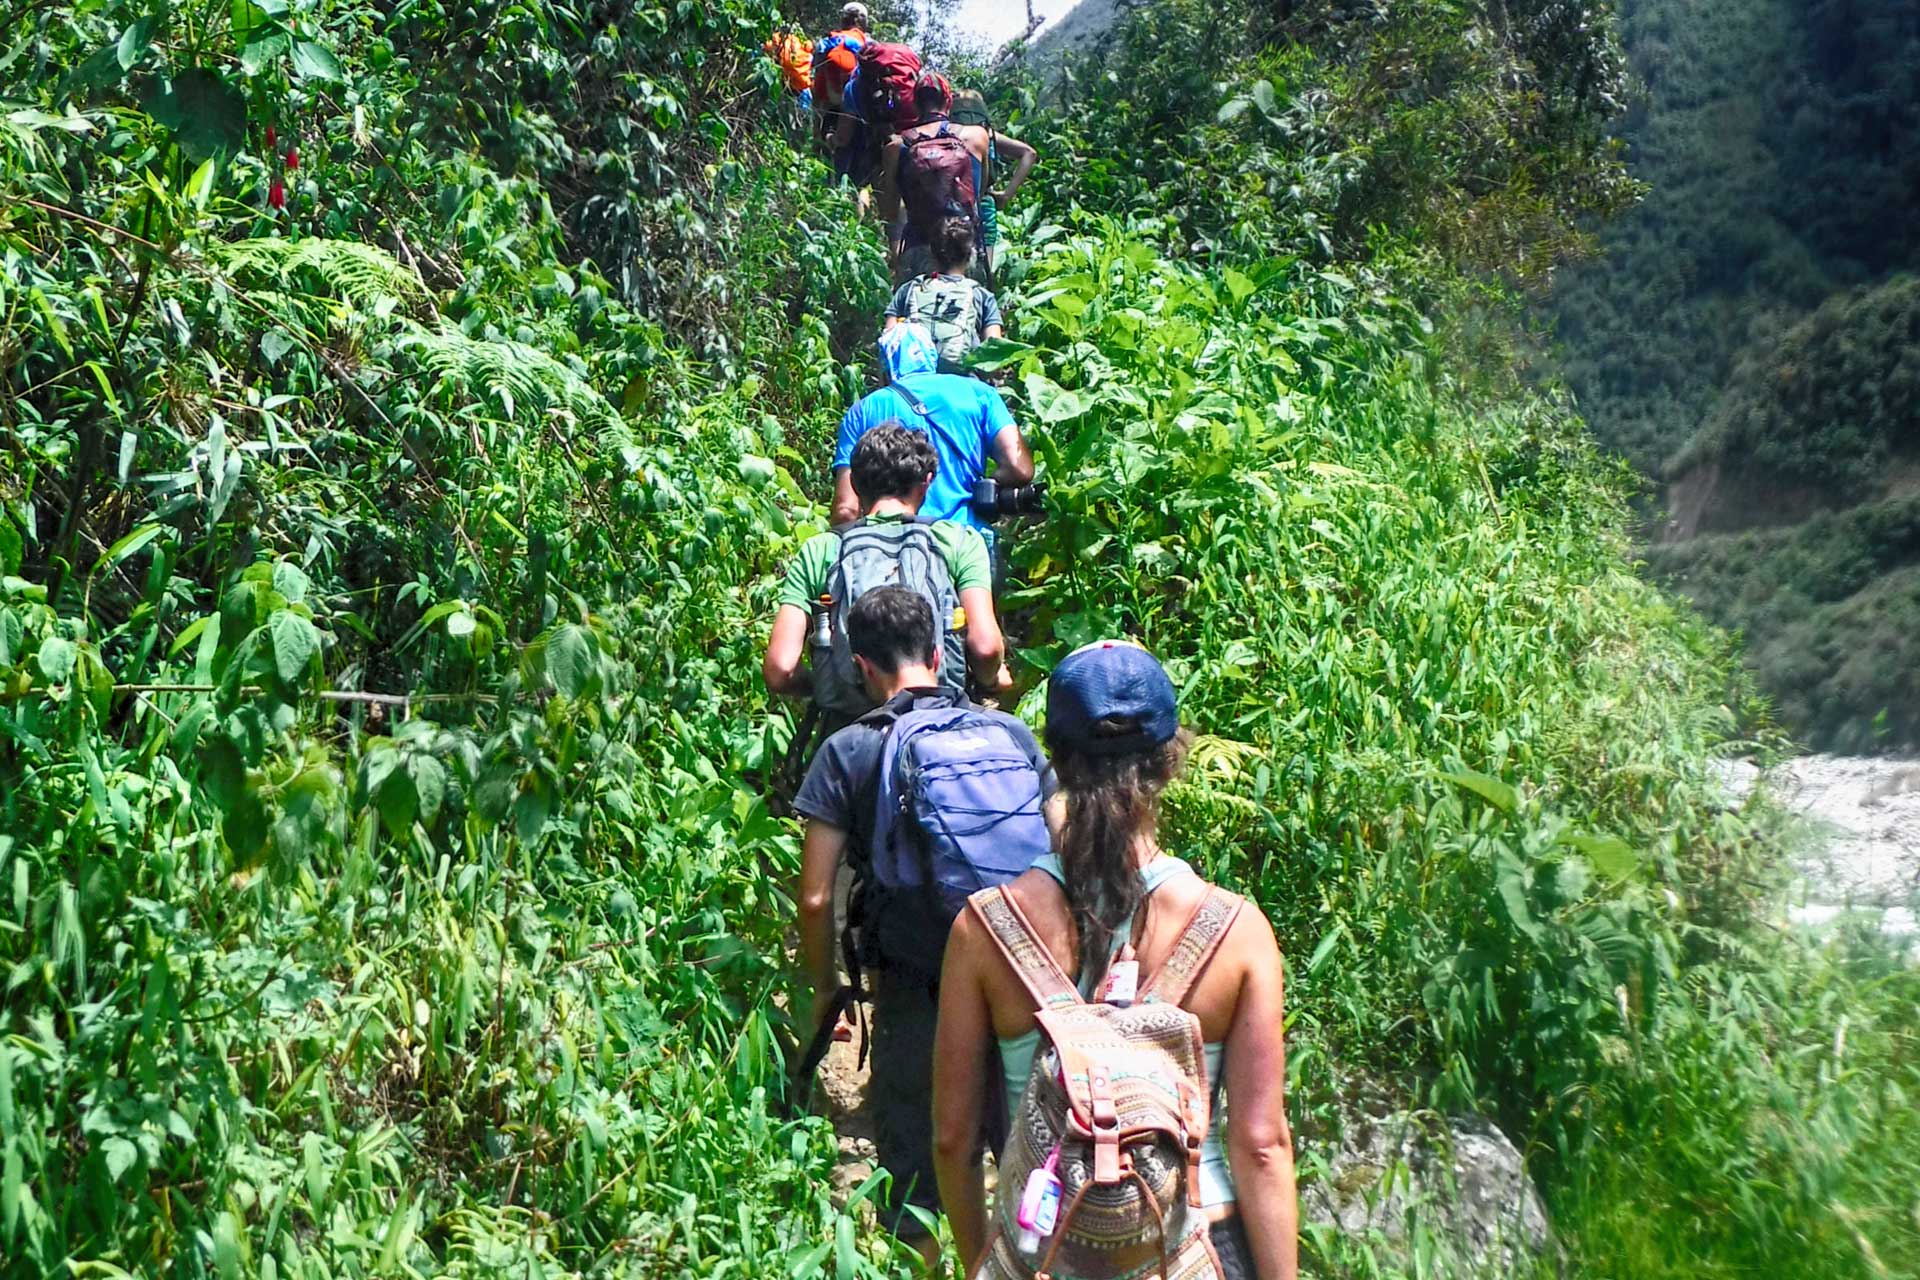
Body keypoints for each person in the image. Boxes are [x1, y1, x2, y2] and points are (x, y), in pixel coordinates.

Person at [932, 641, 1300, 1279]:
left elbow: (954, 1142)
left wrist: (983, 1262)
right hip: (1196, 1248)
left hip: (1046, 1252)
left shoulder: (985, 929)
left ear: (1057, 759)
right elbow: (1261, 1146)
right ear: (1168, 762)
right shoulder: (1237, 932)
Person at [792, 585, 1052, 1266]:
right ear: (941, 654)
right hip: (1022, 964)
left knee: (918, 1152)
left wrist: (826, 990)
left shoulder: (848, 750)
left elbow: (817, 897)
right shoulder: (1011, 733)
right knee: (1032, 1141)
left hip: (917, 975)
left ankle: (929, 1260)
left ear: (861, 666)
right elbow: (1061, 850)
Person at [765, 422, 1012, 725]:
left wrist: (824, 688)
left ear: (854, 484)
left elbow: (780, 669)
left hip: (848, 732)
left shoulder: (822, 550)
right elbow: (986, 648)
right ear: (927, 482)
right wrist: (992, 679)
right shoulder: (958, 541)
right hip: (938, 724)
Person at [832, 323, 1033, 535]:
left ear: (886, 365)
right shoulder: (980, 393)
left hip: (890, 548)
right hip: (967, 540)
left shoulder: (862, 411)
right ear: (931, 357)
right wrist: (981, 490)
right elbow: (1019, 467)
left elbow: (846, 511)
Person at [879, 76, 1036, 284]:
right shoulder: (977, 136)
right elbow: (978, 194)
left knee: (910, 311)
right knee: (974, 307)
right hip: (964, 248)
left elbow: (889, 213)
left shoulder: (896, 147)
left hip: (918, 248)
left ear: (915, 104)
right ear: (948, 102)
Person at [884, 213, 1003, 373]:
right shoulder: (982, 296)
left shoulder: (909, 289)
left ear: (932, 254)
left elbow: (888, 343)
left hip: (912, 379)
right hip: (963, 381)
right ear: (970, 256)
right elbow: (994, 352)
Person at [811, 5, 873, 196]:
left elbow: (818, 86)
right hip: (865, 119)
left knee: (830, 173)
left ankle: (831, 213)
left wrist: (816, 132)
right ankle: (857, 221)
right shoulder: (871, 46)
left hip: (832, 114)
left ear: (843, 20)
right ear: (862, 21)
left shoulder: (828, 43)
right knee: (861, 183)